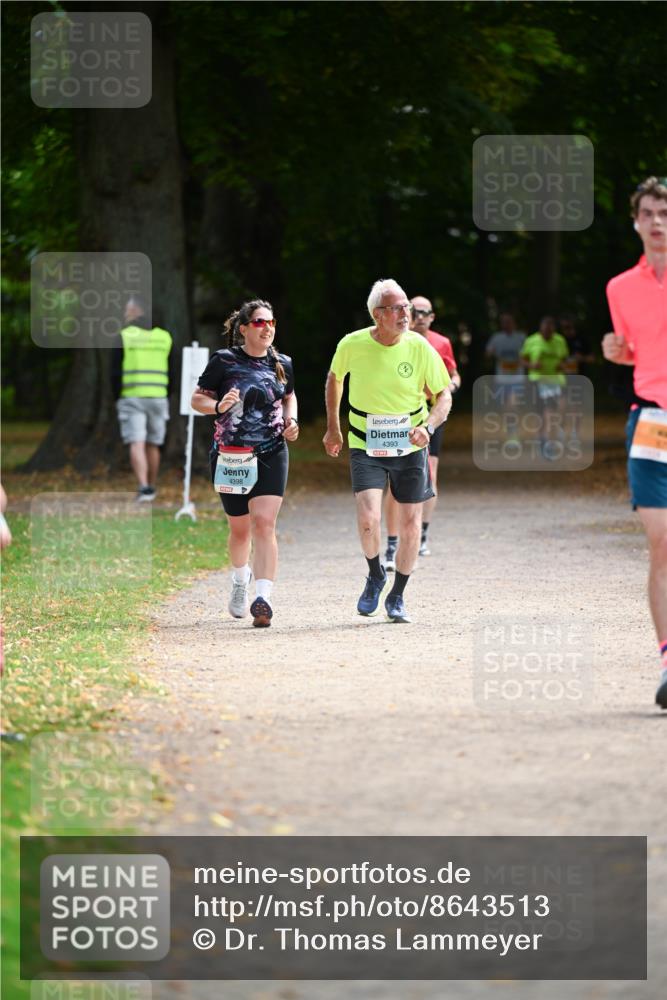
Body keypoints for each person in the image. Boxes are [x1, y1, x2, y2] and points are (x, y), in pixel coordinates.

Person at [323, 279, 451, 623]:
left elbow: (444, 394)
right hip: (365, 441)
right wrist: (334, 427)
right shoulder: (352, 344)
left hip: (410, 443)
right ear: (377, 314)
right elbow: (334, 379)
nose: (406, 314)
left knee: (410, 522)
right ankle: (375, 574)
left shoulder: (420, 347)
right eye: (397, 308)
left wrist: (428, 427)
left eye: (406, 306)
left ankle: (397, 595)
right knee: (369, 516)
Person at [191, 299, 299, 628]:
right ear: (243, 329)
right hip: (231, 454)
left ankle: (263, 599)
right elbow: (197, 398)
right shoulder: (224, 361)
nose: (267, 328)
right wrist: (218, 406)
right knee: (240, 530)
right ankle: (240, 580)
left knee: (264, 523)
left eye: (271, 322)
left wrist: (292, 420)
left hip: (271, 450)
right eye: (259, 322)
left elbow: (289, 396)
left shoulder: (282, 362)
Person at [602, 176, 667, 709]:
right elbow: (634, 353)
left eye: (664, 213)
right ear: (635, 222)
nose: (657, 222)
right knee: (662, 543)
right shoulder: (620, 288)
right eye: (648, 213)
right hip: (649, 421)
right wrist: (615, 351)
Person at [384, 295, 461, 568]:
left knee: (429, 474)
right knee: (394, 479)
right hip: (399, 417)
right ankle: (392, 542)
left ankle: (422, 534)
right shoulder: (395, 340)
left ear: (432, 316)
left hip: (431, 417)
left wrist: (449, 387)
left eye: (424, 312)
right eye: (414, 311)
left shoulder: (441, 343)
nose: (419, 316)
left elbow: (454, 373)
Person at [112, 296, 173, 502]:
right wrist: (167, 392)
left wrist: (116, 396)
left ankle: (144, 487)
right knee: (153, 443)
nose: (125, 313)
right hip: (159, 397)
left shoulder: (125, 336)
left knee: (136, 442)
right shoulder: (164, 337)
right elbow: (173, 369)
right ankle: (152, 487)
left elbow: (114, 371)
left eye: (127, 310)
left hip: (132, 397)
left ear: (137, 311)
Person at [520, 316, 569, 459]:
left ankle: (552, 436)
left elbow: (565, 359)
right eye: (545, 331)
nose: (548, 334)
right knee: (545, 414)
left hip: (557, 380)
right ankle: (545, 442)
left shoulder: (560, 341)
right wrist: (531, 365)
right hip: (538, 381)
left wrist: (562, 365)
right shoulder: (531, 341)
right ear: (541, 329)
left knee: (562, 408)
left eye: (550, 332)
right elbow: (522, 359)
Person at [559, 315, 594, 380]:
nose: (565, 330)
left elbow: (592, 358)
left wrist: (582, 358)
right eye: (563, 328)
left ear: (573, 325)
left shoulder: (582, 338)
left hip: (580, 377)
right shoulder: (560, 340)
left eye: (567, 327)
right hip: (564, 378)